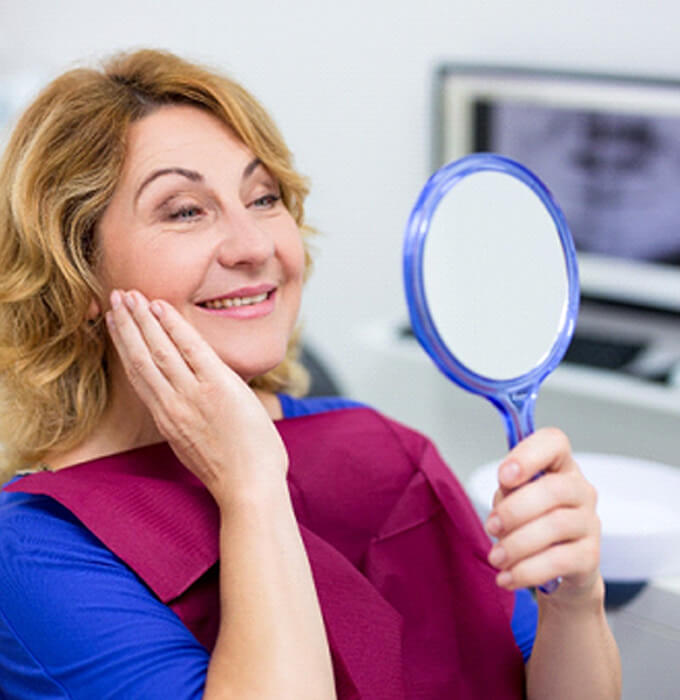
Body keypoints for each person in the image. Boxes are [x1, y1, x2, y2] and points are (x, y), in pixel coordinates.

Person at [0, 49, 620, 699]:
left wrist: (575, 603)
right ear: (77, 272)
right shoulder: (36, 550)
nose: (255, 246)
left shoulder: (385, 453)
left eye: (263, 198)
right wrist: (251, 487)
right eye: (185, 210)